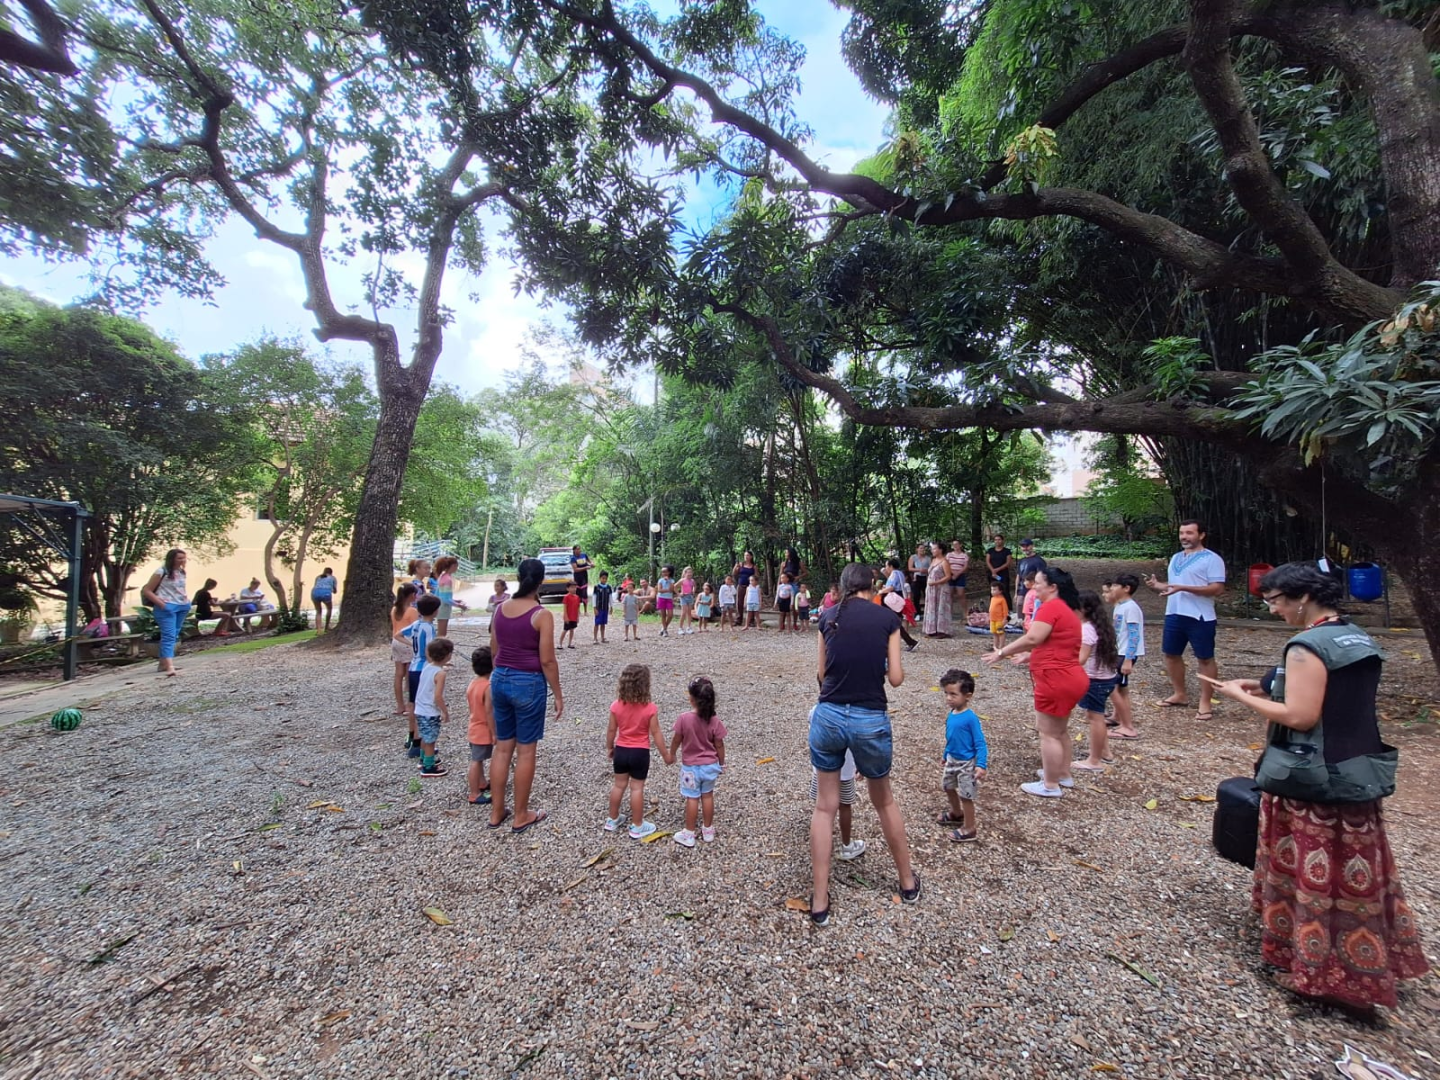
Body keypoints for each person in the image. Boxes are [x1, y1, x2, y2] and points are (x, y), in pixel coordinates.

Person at [1209, 562, 1428, 1014]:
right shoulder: (1353, 635)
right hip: (1358, 769)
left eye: (1275, 602)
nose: (1273, 611)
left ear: (1302, 597)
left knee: (1317, 873)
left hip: (1314, 778)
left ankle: (1321, 969)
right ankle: (1364, 961)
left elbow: (1301, 716)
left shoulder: (1306, 645)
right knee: (1354, 874)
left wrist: (1240, 696)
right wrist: (1268, 682)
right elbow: (1337, 695)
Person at [808, 563, 921, 926]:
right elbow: (898, 679)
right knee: (883, 799)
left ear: (842, 587)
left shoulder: (827, 616)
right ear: (873, 586)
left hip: (828, 716)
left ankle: (820, 899)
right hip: (870, 718)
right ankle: (906, 881)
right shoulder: (886, 619)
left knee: (824, 807)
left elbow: (822, 674)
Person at [984, 567, 1088, 798]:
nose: (1033, 586)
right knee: (1060, 732)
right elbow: (1058, 646)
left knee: (1048, 733)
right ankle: (1062, 774)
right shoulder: (1066, 610)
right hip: (1070, 678)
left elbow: (1033, 637)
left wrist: (1001, 652)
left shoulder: (1051, 608)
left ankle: (1050, 785)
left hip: (1055, 680)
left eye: (1038, 582)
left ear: (1053, 587)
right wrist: (1031, 656)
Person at [488, 558, 563, 833]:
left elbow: (493, 647)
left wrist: (500, 674)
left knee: (502, 748)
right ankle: (521, 814)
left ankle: (497, 811)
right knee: (526, 750)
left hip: (500, 678)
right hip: (528, 682)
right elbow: (547, 660)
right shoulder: (540, 614)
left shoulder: (500, 608)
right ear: (540, 581)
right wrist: (557, 693)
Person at [1146, 520, 1225, 721]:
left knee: (1205, 658)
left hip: (1200, 616)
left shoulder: (1211, 559)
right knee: (1171, 654)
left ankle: (1205, 701)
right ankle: (1180, 694)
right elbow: (1174, 586)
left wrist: (1184, 588)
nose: (1184, 537)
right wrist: (1158, 585)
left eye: (1189, 533)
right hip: (1174, 613)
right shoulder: (1175, 558)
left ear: (1201, 535)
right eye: (1182, 533)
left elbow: (1217, 588)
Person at [604, 663, 674, 838]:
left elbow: (611, 730)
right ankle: (637, 826)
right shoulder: (649, 708)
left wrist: (609, 747)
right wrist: (665, 753)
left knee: (618, 785)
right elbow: (656, 732)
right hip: (640, 752)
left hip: (621, 750)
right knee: (636, 788)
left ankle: (612, 819)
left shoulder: (616, 706)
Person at [669, 675, 728, 848]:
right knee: (708, 796)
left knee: (692, 798)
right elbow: (720, 744)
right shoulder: (715, 721)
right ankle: (708, 830)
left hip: (691, 768)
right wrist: (721, 763)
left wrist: (672, 753)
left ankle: (689, 833)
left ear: (692, 699)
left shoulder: (684, 719)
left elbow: (676, 739)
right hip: (710, 766)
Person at [936, 669, 987, 843]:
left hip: (966, 763)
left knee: (966, 795)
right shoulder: (952, 713)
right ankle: (956, 813)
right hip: (952, 759)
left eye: (953, 694)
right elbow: (951, 738)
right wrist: (945, 754)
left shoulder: (970, 718)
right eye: (946, 694)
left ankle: (970, 827)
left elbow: (980, 743)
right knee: (948, 786)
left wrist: (981, 764)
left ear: (968, 696)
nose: (948, 698)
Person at [1075, 591, 1120, 773]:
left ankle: (1093, 760)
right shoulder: (1099, 625)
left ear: (1084, 609)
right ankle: (1105, 752)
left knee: (1095, 719)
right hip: (1106, 678)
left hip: (1095, 680)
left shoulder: (1086, 629)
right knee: (1097, 717)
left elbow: (1081, 659)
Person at [1105, 573, 1146, 739]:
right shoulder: (1120, 606)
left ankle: (1127, 727)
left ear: (1126, 589)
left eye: (1115, 586)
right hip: (1119, 651)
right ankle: (1117, 716)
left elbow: (1134, 635)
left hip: (1125, 654)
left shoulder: (1131, 608)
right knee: (1120, 688)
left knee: (1116, 689)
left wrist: (1128, 659)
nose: (1112, 589)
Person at [141, 548, 190, 676]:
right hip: (167, 606)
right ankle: (169, 666)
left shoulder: (181, 571)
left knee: (174, 634)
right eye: (179, 558)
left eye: (184, 558)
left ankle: (163, 663)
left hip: (182, 605)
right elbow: (147, 590)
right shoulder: (161, 571)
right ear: (172, 559)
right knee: (168, 635)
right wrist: (162, 604)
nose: (183, 560)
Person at [810, 750, 866, 862]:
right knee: (844, 806)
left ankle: (819, 849)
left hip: (821, 765)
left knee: (822, 807)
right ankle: (847, 846)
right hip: (844, 769)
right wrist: (862, 763)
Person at [398, 594, 441, 739]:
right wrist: (437, 666)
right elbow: (430, 651)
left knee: (412, 703)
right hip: (424, 669)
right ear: (435, 611)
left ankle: (411, 735)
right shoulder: (428, 628)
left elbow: (398, 635)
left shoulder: (417, 624)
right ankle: (419, 739)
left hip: (413, 667)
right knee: (422, 705)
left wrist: (413, 646)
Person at [411, 636, 453, 777]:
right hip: (430, 711)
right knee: (431, 739)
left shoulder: (427, 667)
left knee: (424, 735)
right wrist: (444, 711)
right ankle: (428, 767)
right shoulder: (440, 673)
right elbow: (438, 696)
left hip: (420, 709)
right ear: (447, 655)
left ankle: (424, 759)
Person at [466, 646, 494, 805]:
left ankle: (482, 783)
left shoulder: (473, 683)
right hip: (482, 729)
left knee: (479, 759)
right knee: (476, 760)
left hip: (473, 726)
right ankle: (474, 793)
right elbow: (489, 712)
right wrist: (493, 731)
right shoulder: (487, 687)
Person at [390, 583, 419, 731]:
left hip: (395, 641)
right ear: (412, 595)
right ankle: (409, 705)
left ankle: (399, 705)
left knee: (398, 674)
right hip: (406, 642)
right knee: (408, 674)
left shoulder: (395, 609)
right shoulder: (412, 611)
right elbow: (414, 630)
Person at [879, 557, 920, 652]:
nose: (886, 568)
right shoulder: (900, 573)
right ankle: (909, 641)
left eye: (887, 566)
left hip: (893, 599)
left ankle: (909, 642)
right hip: (899, 597)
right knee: (894, 621)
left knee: (891, 621)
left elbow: (891, 587)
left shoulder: (894, 574)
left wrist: (881, 591)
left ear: (890, 566)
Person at [923, 542, 953, 638]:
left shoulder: (944, 562)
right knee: (931, 608)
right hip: (931, 588)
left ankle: (942, 630)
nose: (932, 551)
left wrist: (936, 583)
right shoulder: (933, 560)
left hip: (941, 588)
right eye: (932, 549)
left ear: (940, 550)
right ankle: (932, 629)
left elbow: (948, 576)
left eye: (935, 549)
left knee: (941, 608)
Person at [433, 557, 467, 637]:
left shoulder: (442, 576)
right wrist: (459, 605)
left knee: (441, 632)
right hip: (443, 607)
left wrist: (455, 601)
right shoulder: (447, 579)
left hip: (440, 606)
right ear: (453, 566)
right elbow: (445, 599)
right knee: (442, 633)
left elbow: (441, 595)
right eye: (456, 566)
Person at [1014, 540, 1046, 616]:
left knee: (1032, 609)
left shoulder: (1039, 561)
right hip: (1022, 589)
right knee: (1019, 605)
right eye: (1023, 546)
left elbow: (1042, 576)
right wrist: (1016, 593)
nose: (1025, 548)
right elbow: (1018, 576)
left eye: (1027, 546)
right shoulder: (1021, 561)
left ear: (1032, 546)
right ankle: (1020, 624)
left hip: (1033, 589)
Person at [310, 567, 339, 634]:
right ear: (331, 573)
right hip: (326, 593)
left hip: (315, 593)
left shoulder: (318, 577)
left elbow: (316, 585)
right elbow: (334, 590)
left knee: (318, 611)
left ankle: (319, 630)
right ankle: (326, 627)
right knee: (329, 609)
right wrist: (333, 590)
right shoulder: (333, 578)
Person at [907, 542, 930, 614]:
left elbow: (931, 568)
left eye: (923, 548)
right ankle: (917, 611)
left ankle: (928, 610)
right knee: (916, 595)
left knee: (927, 594)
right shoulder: (913, 557)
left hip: (925, 577)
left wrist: (926, 571)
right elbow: (910, 568)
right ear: (917, 549)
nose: (922, 550)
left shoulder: (928, 558)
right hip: (916, 577)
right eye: (921, 548)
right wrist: (919, 569)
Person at [946, 540, 970, 610]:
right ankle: (949, 613)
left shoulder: (964, 555)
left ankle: (965, 613)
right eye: (953, 545)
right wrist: (952, 573)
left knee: (961, 594)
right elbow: (946, 565)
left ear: (960, 545)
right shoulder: (949, 555)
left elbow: (965, 567)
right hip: (950, 575)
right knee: (949, 594)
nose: (955, 546)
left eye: (956, 544)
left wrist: (957, 574)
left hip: (960, 575)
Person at [592, 570, 613, 644]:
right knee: (597, 623)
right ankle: (595, 638)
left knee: (603, 623)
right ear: (600, 578)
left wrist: (611, 607)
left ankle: (602, 637)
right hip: (599, 608)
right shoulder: (596, 587)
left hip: (605, 608)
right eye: (603, 578)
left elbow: (610, 597)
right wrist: (594, 608)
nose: (604, 580)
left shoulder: (608, 587)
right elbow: (594, 597)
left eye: (605, 578)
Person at [570, 546, 592, 614]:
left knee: (584, 593)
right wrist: (585, 567)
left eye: (580, 549)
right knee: (578, 593)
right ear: (574, 550)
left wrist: (591, 564)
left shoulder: (584, 555)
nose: (579, 550)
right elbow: (575, 569)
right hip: (577, 577)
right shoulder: (573, 558)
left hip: (584, 577)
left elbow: (590, 561)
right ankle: (578, 610)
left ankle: (585, 611)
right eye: (577, 549)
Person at [655, 566, 676, 637]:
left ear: (669, 572)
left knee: (670, 615)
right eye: (662, 572)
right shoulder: (660, 580)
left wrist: (668, 582)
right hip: (661, 598)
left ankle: (664, 628)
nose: (663, 573)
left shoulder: (672, 580)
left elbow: (671, 589)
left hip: (669, 599)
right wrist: (666, 590)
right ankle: (665, 630)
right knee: (663, 615)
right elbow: (659, 590)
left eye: (664, 571)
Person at [988, 581, 1009, 653]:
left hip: (999, 620)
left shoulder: (1002, 599)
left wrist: (1004, 619)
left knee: (1000, 633)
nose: (992, 591)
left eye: (994, 589)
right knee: (994, 633)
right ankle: (995, 646)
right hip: (992, 619)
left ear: (1000, 591)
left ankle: (1001, 646)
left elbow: (1005, 610)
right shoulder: (993, 598)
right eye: (991, 589)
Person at [560, 581, 580, 649]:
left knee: (572, 629)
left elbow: (578, 607)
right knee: (565, 630)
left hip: (574, 617)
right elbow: (565, 608)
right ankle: (560, 643)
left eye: (575, 587)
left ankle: (570, 643)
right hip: (568, 617)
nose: (574, 589)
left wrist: (577, 617)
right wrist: (565, 616)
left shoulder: (577, 597)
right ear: (567, 588)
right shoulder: (566, 597)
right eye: (572, 587)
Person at [677, 566, 696, 635]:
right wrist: (679, 594)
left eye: (691, 572)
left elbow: (694, 586)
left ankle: (688, 627)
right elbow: (675, 587)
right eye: (688, 572)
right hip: (684, 597)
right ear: (685, 573)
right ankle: (680, 628)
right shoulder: (682, 580)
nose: (690, 574)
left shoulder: (692, 580)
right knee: (683, 612)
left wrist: (693, 590)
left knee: (689, 612)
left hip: (690, 597)